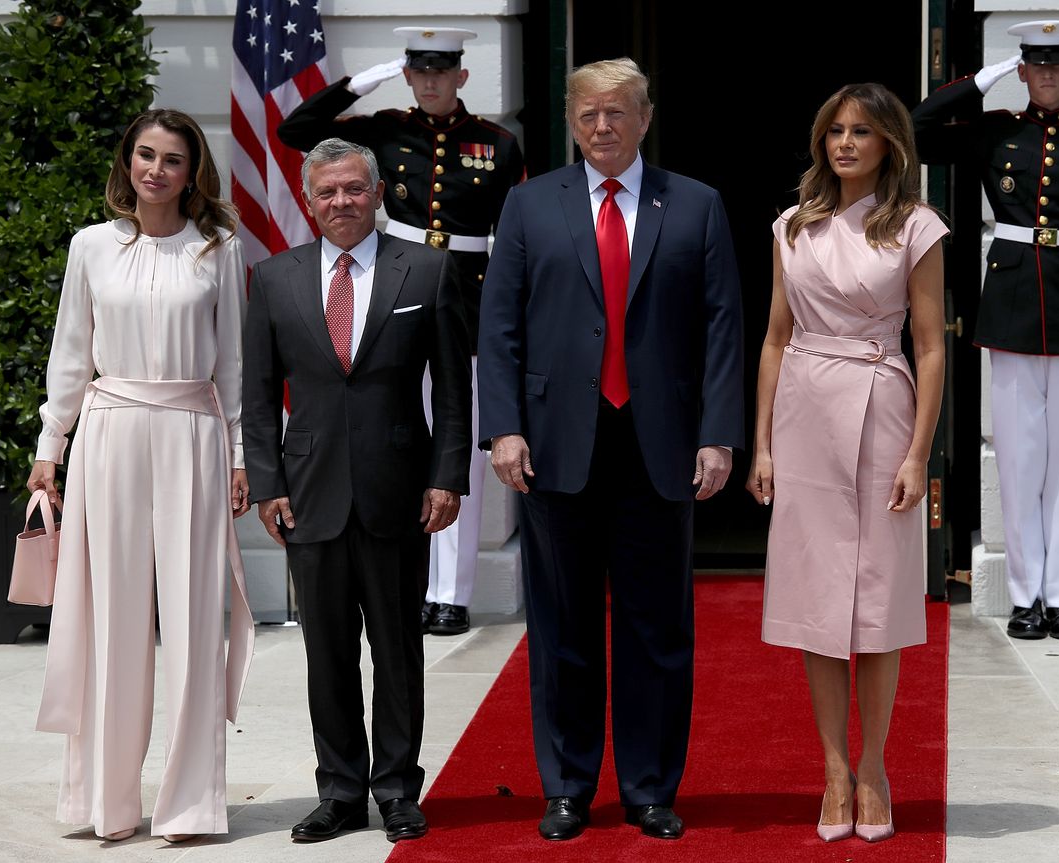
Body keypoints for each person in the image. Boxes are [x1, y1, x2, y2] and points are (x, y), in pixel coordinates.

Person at [479, 57, 744, 842]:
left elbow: (723, 326)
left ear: (645, 117)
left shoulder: (695, 205)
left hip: (659, 446)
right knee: (562, 626)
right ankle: (566, 784)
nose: (603, 127)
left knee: (656, 629)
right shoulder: (530, 205)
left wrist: (718, 434)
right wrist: (504, 427)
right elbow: (500, 326)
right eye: (589, 114)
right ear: (571, 120)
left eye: (618, 113)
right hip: (556, 447)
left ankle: (650, 787)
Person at [26, 108, 255, 843]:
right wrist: (48, 446)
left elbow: (233, 365)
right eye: (145, 155)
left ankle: (191, 803)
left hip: (193, 431)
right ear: (127, 162)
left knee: (193, 622)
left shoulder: (217, 249)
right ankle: (107, 800)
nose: (156, 169)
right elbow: (70, 352)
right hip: (110, 432)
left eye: (173, 159)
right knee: (109, 620)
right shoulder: (90, 246)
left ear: (193, 174)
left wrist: (240, 452)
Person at [241, 138, 470, 844]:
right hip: (308, 495)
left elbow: (457, 393)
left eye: (353, 189)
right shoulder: (274, 279)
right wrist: (268, 484)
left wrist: (447, 475)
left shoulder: (427, 270)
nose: (341, 202)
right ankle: (339, 790)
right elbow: (254, 394)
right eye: (326, 193)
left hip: (398, 491)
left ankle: (398, 790)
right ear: (308, 202)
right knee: (328, 654)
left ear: (376, 193)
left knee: (399, 652)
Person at [747, 82, 948, 844]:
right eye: (835, 130)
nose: (845, 143)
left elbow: (929, 347)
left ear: (891, 143)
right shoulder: (792, 225)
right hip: (803, 408)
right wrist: (762, 441)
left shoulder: (917, 227)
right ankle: (833, 768)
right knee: (817, 601)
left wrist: (919, 452)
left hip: (882, 404)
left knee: (878, 603)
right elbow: (772, 336)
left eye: (861, 131)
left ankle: (876, 767)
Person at [278, 26, 526, 636]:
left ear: (462, 76)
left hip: (466, 298)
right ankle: (411, 579)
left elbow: (513, 235)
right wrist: (368, 78)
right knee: (401, 438)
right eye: (420, 71)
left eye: (442, 71)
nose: (432, 82)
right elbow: (295, 132)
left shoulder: (498, 143)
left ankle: (451, 593)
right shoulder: (384, 128)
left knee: (458, 447)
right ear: (410, 74)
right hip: (398, 290)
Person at [912, 19, 1059, 641]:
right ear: (1023, 70)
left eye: (1055, 65)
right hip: (1010, 307)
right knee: (1018, 460)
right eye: (1034, 65)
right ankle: (1025, 597)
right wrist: (979, 81)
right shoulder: (995, 131)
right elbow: (916, 130)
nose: (1045, 75)